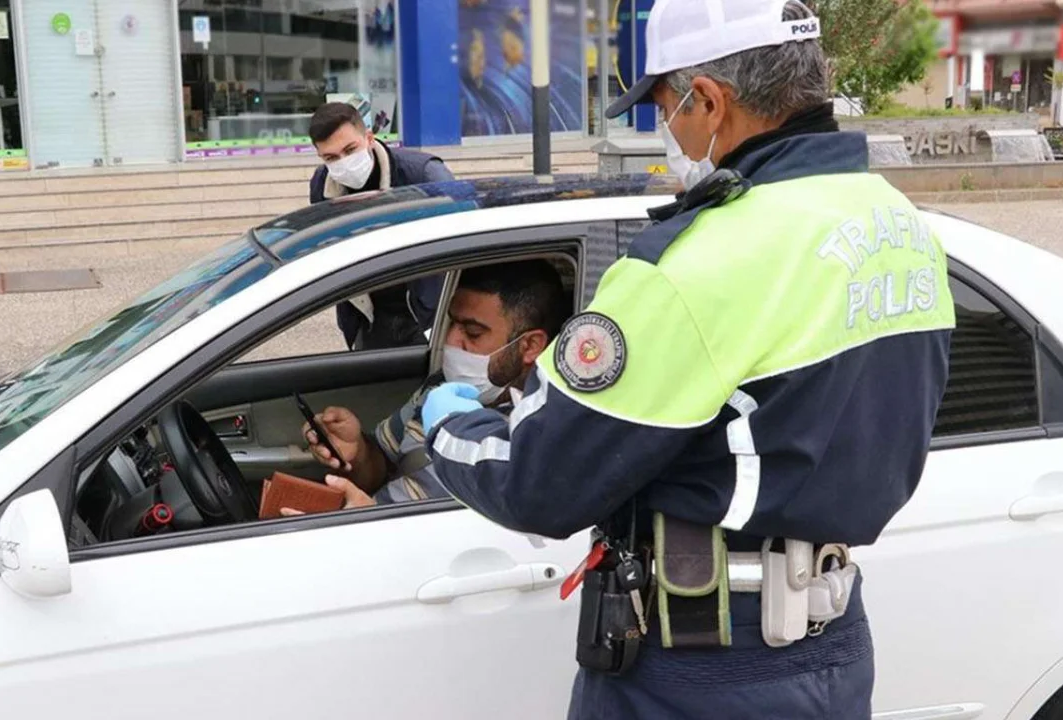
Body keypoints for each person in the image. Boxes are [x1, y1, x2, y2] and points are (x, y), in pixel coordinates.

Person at [417, 1, 957, 718]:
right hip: (835, 648)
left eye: (666, 108)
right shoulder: (896, 222)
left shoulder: (696, 263)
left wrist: (443, 419)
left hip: (703, 668)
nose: (666, 130)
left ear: (709, 99)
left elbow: (539, 484)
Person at [291, 260, 570, 513]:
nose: (451, 341)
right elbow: (385, 464)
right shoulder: (441, 388)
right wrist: (359, 453)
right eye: (452, 323)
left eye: (472, 333)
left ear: (529, 346)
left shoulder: (531, 438)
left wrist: (366, 520)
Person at [308, 102, 455, 351]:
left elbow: (461, 245)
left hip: (426, 315)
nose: (343, 163)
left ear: (369, 138)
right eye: (331, 158)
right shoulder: (323, 185)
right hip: (367, 320)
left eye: (350, 149)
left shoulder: (423, 176)